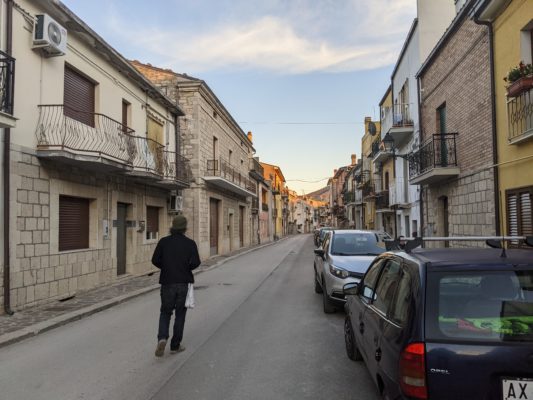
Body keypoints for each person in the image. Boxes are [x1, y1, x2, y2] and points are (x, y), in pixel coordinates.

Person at [151, 214, 201, 357]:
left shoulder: (163, 242)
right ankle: (175, 345)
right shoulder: (190, 243)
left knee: (165, 312)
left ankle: (162, 338)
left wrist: (166, 266)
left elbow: (155, 260)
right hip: (183, 283)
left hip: (167, 282)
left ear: (172, 226)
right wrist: (186, 267)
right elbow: (196, 262)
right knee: (180, 314)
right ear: (185, 228)